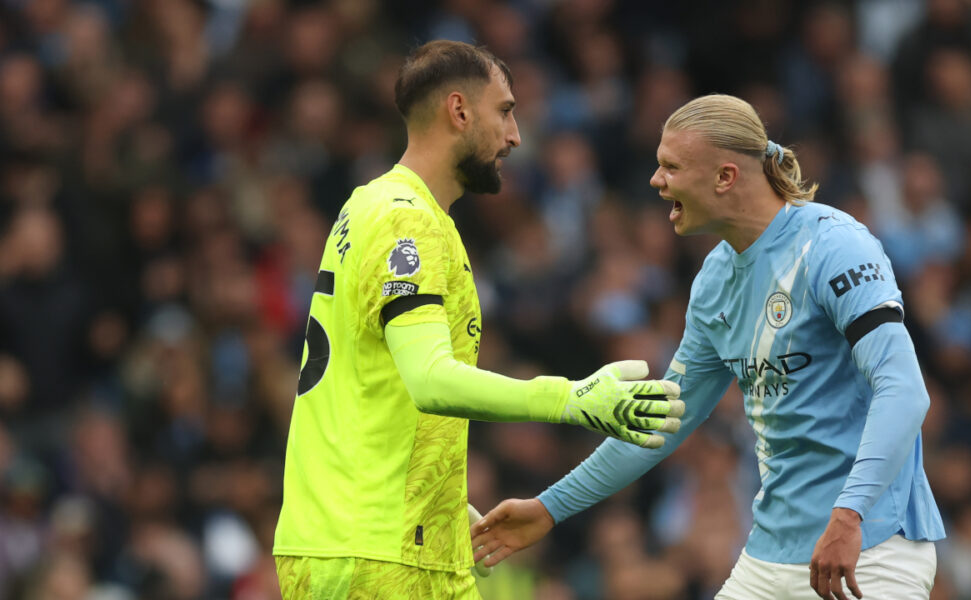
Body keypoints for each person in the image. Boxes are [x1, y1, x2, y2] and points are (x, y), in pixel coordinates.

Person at [471, 94, 946, 600]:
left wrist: (849, 515)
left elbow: (905, 390)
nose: (656, 181)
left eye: (671, 167)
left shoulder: (833, 246)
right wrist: (548, 508)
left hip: (869, 549)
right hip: (770, 558)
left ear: (724, 177)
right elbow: (660, 422)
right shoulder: (715, 280)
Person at [271, 40, 685, 600]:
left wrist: (441, 500)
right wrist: (571, 399)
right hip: (376, 555)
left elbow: (368, 381)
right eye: (506, 111)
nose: (515, 136)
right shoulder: (407, 226)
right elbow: (429, 379)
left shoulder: (367, 206)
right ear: (460, 111)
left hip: (379, 538)